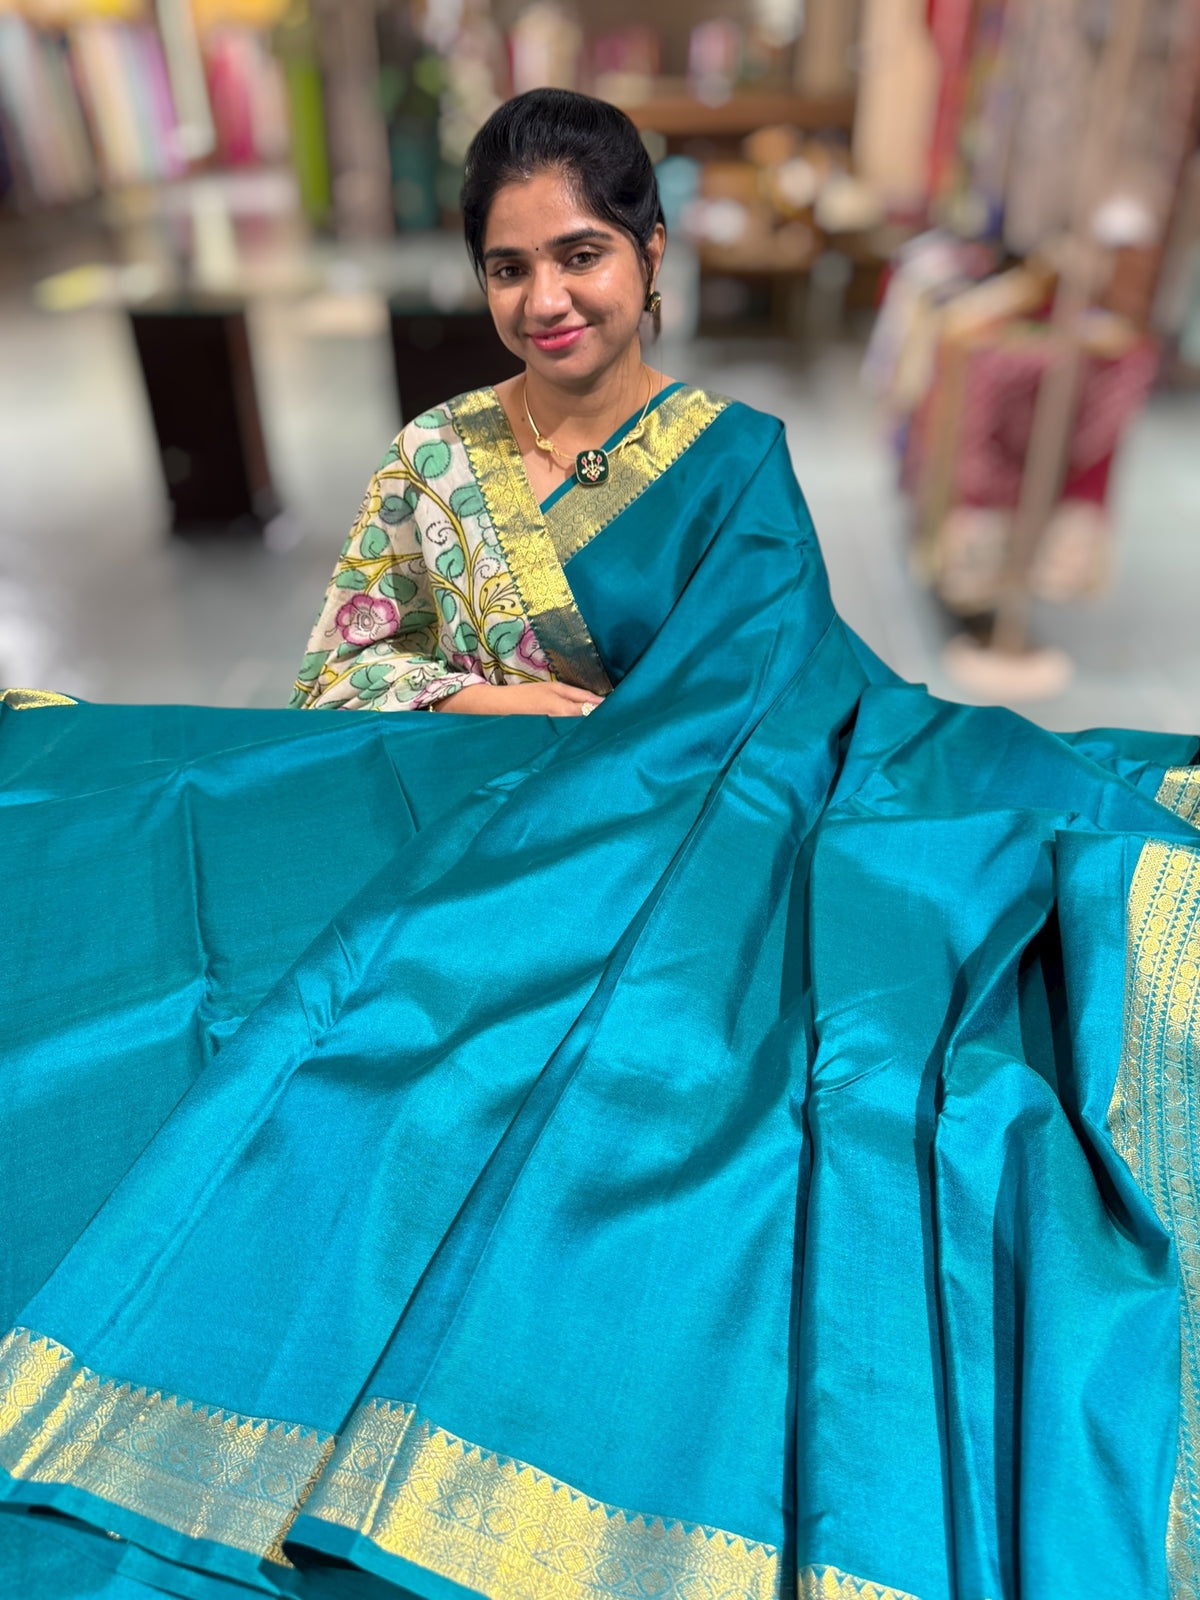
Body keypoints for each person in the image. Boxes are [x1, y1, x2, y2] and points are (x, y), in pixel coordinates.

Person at [1, 87, 1199, 1600]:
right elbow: (345, 677)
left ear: (650, 255)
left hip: (693, 822)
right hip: (464, 796)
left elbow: (768, 694)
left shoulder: (730, 458)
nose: (546, 299)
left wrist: (608, 749)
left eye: (580, 254)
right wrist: (495, 697)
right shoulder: (434, 461)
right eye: (510, 268)